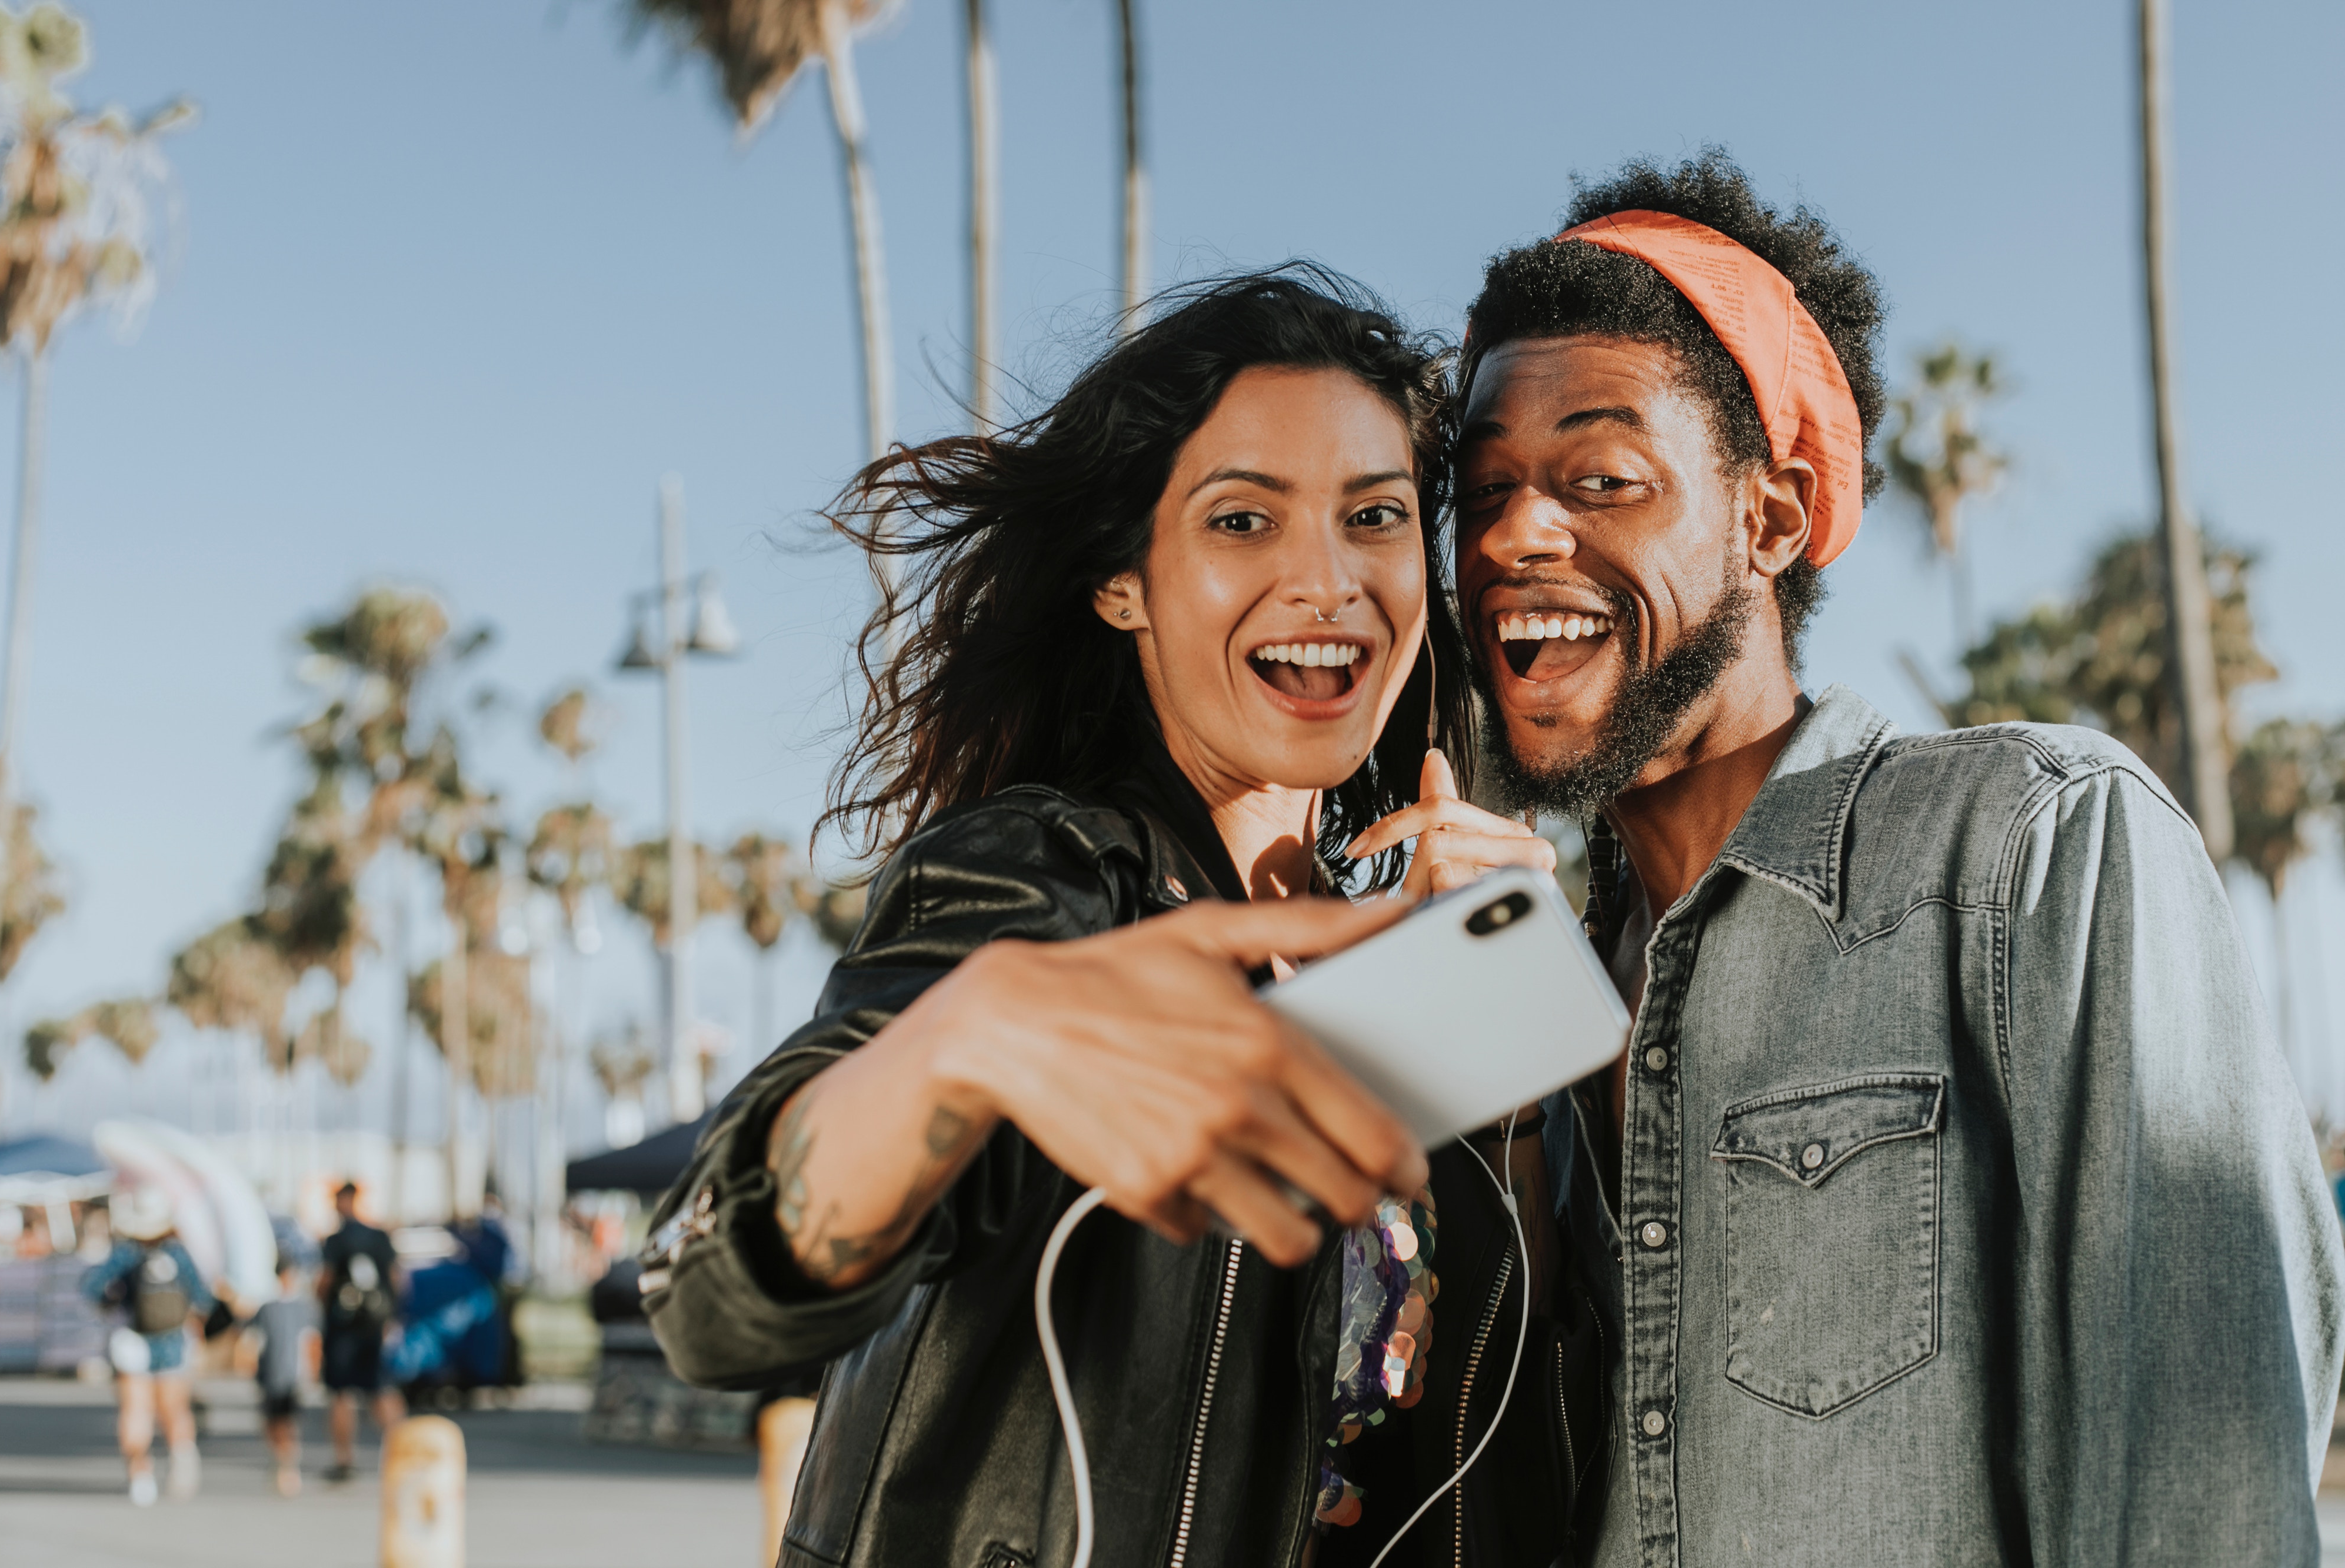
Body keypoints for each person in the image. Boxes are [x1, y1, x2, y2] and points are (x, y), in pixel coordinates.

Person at [1426, 149, 2342, 1563]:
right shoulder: (1524, 995)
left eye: (1597, 476)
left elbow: (2207, 1493)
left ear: (1769, 515)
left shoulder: (2030, 847)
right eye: (1478, 492)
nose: (1511, 535)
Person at [644, 269, 1574, 1567]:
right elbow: (712, 1297)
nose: (1325, 580)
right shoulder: (1047, 879)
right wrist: (961, 1039)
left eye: (1372, 516)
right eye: (1242, 520)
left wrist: (1513, 1042)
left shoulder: (1408, 944)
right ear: (1120, 582)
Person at [81, 1186, 212, 1506]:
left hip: (133, 1339)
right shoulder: (180, 1255)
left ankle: (141, 1475)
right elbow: (203, 1299)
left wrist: (112, 1302)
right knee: (174, 1409)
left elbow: (91, 1287)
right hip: (172, 1339)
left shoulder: (126, 1253)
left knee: (134, 1410)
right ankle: (182, 1459)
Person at [317, 1179, 403, 1481]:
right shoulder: (379, 1237)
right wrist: (391, 1315)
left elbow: (325, 1281)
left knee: (342, 1394)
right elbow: (396, 1280)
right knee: (381, 1389)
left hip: (343, 1327)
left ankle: (344, 1460)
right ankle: (404, 1451)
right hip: (374, 1324)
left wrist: (322, 1308)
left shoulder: (335, 1241)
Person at [245, 1255, 319, 1495]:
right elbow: (253, 1341)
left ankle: (288, 1468)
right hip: (270, 1373)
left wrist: (312, 1373)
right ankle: (280, 1461)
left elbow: (311, 1342)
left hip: (292, 1375)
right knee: (271, 1422)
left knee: (288, 1422)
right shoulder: (267, 1307)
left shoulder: (304, 1307)